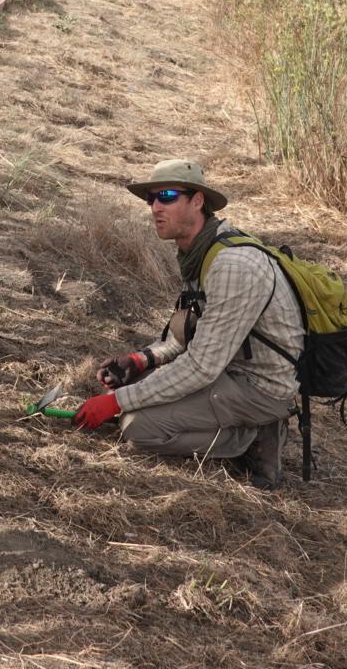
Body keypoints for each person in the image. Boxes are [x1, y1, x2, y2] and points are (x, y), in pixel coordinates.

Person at [74, 160, 302, 490]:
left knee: (138, 427)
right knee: (138, 391)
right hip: (228, 370)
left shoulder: (231, 265)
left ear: (197, 201)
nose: (154, 207)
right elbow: (188, 335)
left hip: (261, 387)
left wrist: (117, 402)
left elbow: (200, 366)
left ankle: (255, 434)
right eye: (150, 198)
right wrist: (142, 360)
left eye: (166, 196)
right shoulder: (200, 252)